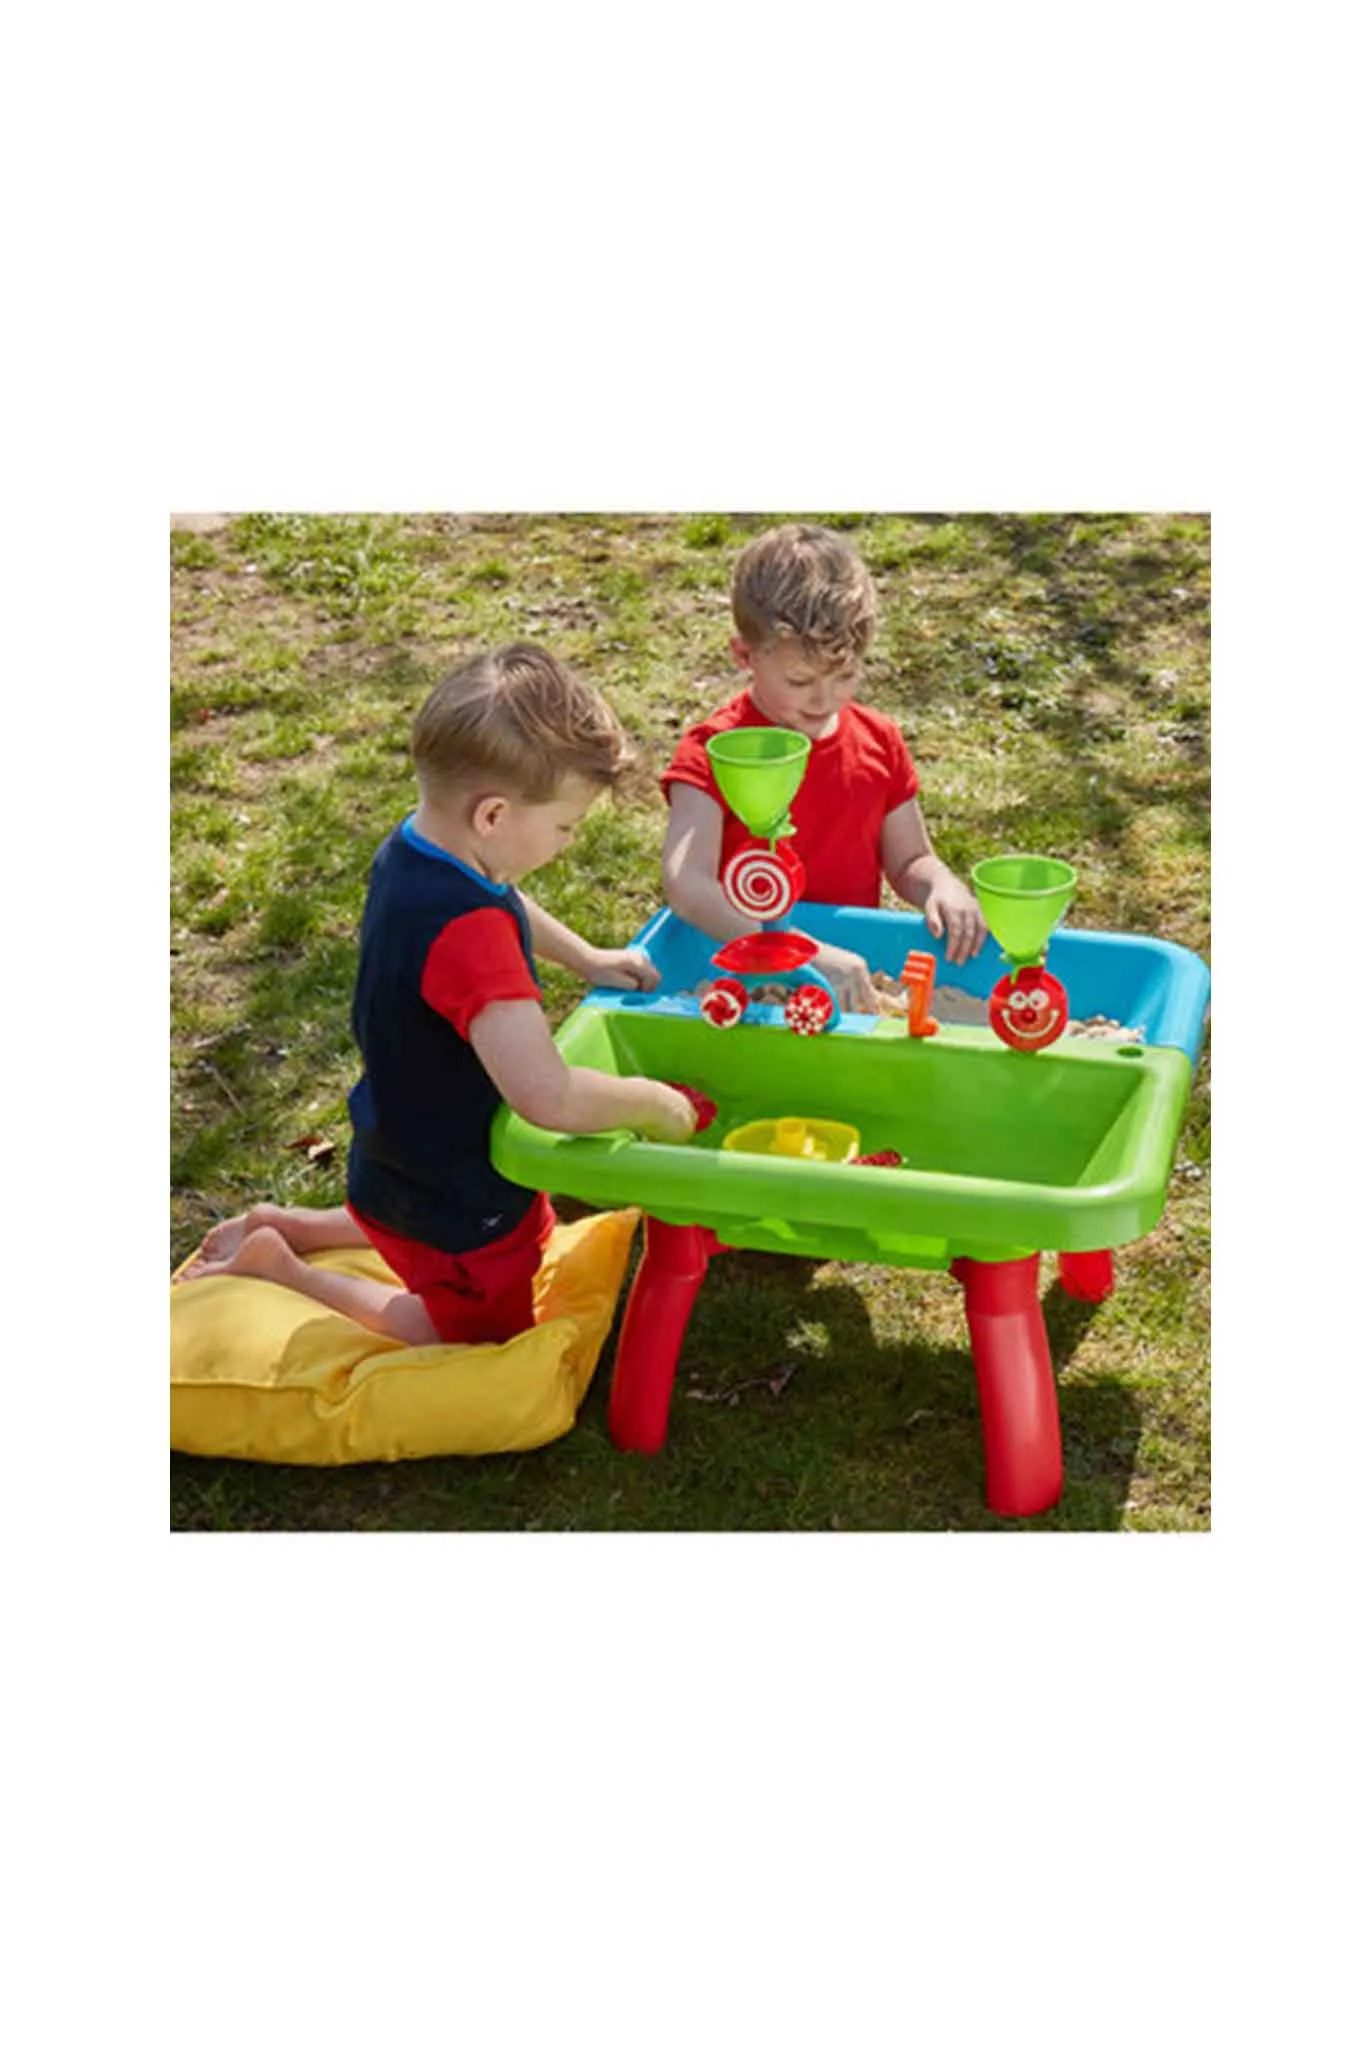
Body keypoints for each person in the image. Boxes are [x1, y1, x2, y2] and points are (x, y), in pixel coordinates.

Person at [178, 644, 697, 1344]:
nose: (569, 842)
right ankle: (283, 1269)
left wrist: (585, 958)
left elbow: (500, 893)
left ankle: (292, 1224)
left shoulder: (416, 847)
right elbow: (546, 1097)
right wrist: (656, 1103)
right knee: (479, 1334)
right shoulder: (472, 937)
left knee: (457, 1221)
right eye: (566, 825)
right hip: (450, 1189)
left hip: (398, 1144)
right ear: (492, 816)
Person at [660, 522, 988, 1009]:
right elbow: (688, 886)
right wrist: (795, 953)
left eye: (845, 675)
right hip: (740, 976)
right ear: (743, 655)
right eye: (799, 680)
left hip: (843, 976)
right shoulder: (715, 750)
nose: (823, 698)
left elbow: (908, 860)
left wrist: (941, 884)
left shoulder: (879, 741)